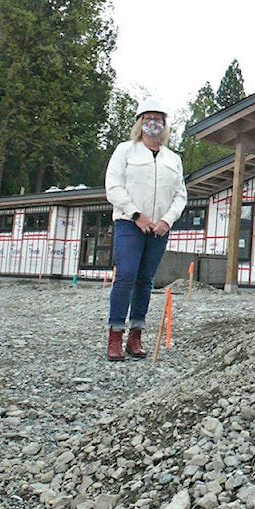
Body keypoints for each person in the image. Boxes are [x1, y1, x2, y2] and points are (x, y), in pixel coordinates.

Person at [104, 97, 187, 361]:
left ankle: (136, 335)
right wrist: (136, 214)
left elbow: (180, 195)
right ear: (140, 123)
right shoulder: (125, 151)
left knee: (145, 281)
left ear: (164, 125)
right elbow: (113, 187)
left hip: (159, 229)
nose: (153, 123)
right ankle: (115, 334)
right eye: (148, 118)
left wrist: (166, 221)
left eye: (158, 119)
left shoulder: (173, 159)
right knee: (126, 276)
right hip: (130, 223)